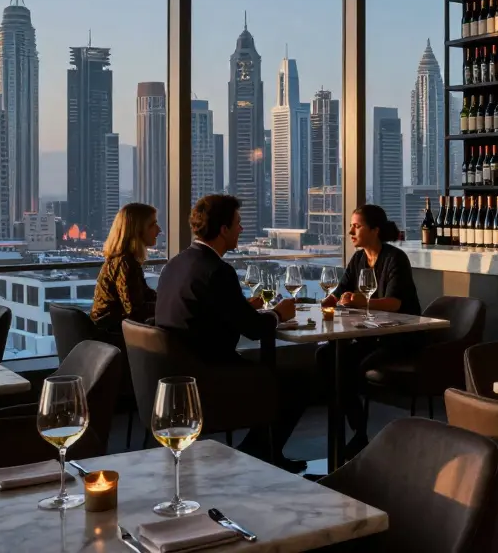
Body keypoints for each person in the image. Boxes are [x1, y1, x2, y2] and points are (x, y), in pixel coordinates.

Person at [154, 194, 303, 461]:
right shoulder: (217, 271)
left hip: (178, 368)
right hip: (209, 375)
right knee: (295, 385)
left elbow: (209, 311)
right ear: (223, 230)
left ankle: (260, 453)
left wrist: (244, 308)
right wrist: (278, 314)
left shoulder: (176, 263)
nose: (241, 229)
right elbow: (255, 330)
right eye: (238, 223)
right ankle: (259, 454)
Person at [318, 204, 422, 455]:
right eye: (352, 226)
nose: (351, 231)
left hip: (399, 337)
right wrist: (326, 301)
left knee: (349, 365)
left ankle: (359, 434)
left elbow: (394, 303)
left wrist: (358, 301)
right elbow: (341, 292)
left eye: (357, 226)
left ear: (375, 230)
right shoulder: (358, 259)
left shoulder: (395, 258)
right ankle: (357, 431)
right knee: (324, 356)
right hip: (372, 334)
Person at [90, 203, 161, 336]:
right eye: (152, 225)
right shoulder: (125, 263)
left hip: (109, 332)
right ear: (137, 230)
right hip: (113, 336)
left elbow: (145, 297)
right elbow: (134, 311)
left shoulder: (123, 260)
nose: (159, 230)